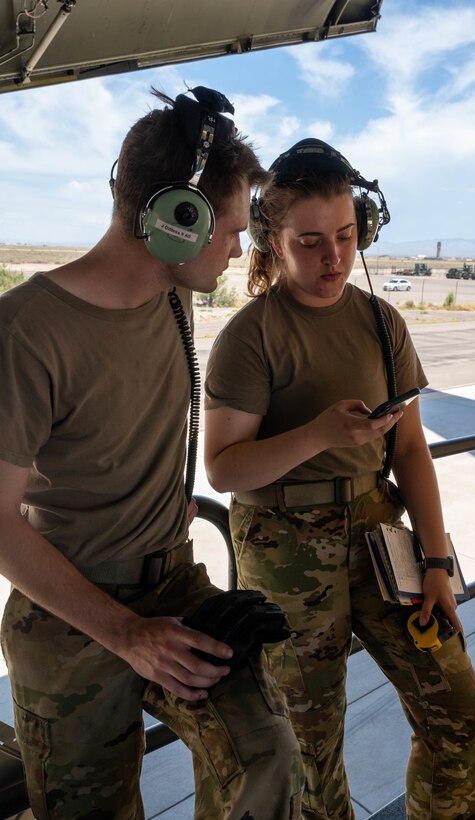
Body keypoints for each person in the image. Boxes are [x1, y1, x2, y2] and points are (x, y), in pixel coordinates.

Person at [0, 86, 305, 819]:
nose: (241, 247)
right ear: (176, 222)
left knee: (272, 762)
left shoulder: (176, 293)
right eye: (231, 230)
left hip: (173, 588)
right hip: (71, 614)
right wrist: (125, 633)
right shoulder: (27, 331)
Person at [204, 139, 475, 820]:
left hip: (376, 531)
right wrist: (318, 436)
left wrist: (438, 560)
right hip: (282, 546)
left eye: (345, 235)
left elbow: (413, 452)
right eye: (310, 241)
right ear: (273, 242)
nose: (333, 257)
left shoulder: (381, 322)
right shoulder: (251, 337)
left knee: (460, 721)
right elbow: (223, 469)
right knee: (311, 760)